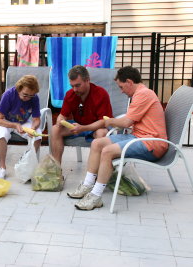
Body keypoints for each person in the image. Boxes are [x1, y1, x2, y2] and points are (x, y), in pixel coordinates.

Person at [70, 66, 168, 210]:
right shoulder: (140, 94)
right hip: (138, 137)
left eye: (121, 87)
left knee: (107, 151)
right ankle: (87, 185)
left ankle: (96, 196)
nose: (121, 91)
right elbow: (128, 120)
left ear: (129, 82)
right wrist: (111, 121)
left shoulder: (143, 94)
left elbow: (126, 122)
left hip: (152, 144)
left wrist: (108, 121)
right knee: (97, 143)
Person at [50, 65, 113, 164]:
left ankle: (96, 172)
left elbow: (105, 122)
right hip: (77, 126)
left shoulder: (101, 93)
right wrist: (60, 120)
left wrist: (83, 128)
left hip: (96, 127)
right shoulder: (70, 94)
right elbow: (62, 115)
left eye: (77, 85)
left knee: (102, 133)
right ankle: (56, 169)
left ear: (87, 80)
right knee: (55, 129)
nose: (74, 89)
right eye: (72, 86)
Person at [0, 75, 42, 179]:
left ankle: (26, 162)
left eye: (31, 96)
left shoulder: (34, 98)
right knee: (2, 135)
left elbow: (37, 119)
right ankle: (2, 168)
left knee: (38, 136)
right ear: (19, 89)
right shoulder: (9, 95)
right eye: (25, 95)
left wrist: (32, 128)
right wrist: (15, 125)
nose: (28, 98)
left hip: (22, 121)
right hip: (4, 121)